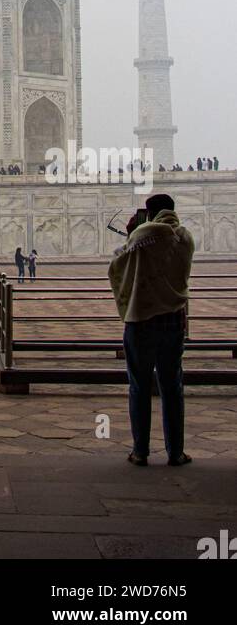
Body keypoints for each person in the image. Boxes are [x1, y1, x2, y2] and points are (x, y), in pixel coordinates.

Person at [108, 193, 194, 467]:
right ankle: (176, 453)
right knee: (172, 388)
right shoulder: (186, 238)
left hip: (142, 321)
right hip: (173, 322)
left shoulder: (144, 234)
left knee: (140, 387)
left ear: (149, 213)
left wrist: (132, 231)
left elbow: (119, 264)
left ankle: (140, 451)